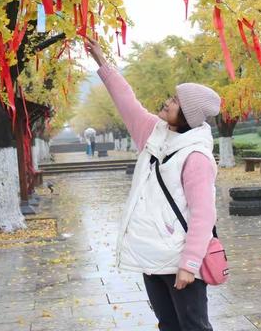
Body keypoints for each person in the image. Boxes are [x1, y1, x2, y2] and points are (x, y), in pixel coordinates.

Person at [85, 36, 220, 331]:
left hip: (182, 259)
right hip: (151, 255)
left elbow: (203, 215)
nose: (167, 102)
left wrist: (190, 264)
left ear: (187, 115)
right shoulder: (152, 132)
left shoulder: (196, 157)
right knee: (168, 325)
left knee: (194, 326)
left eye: (174, 101)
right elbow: (126, 100)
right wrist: (101, 61)